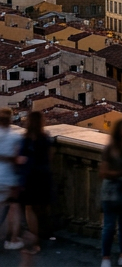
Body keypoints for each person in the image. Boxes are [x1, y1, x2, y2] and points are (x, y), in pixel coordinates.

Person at [14, 112, 53, 265]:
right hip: (44, 176)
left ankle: (34, 242)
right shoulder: (46, 138)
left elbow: (21, 158)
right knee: (41, 208)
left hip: (30, 177)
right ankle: (44, 236)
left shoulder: (26, 139)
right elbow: (49, 157)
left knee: (29, 209)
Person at [100, 119, 122, 267]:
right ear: (120, 131)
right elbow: (103, 172)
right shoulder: (110, 148)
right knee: (109, 226)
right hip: (111, 192)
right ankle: (106, 258)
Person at [0, 109, 22, 251]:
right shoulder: (15, 137)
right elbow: (18, 158)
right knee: (14, 208)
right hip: (9, 177)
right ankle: (12, 239)